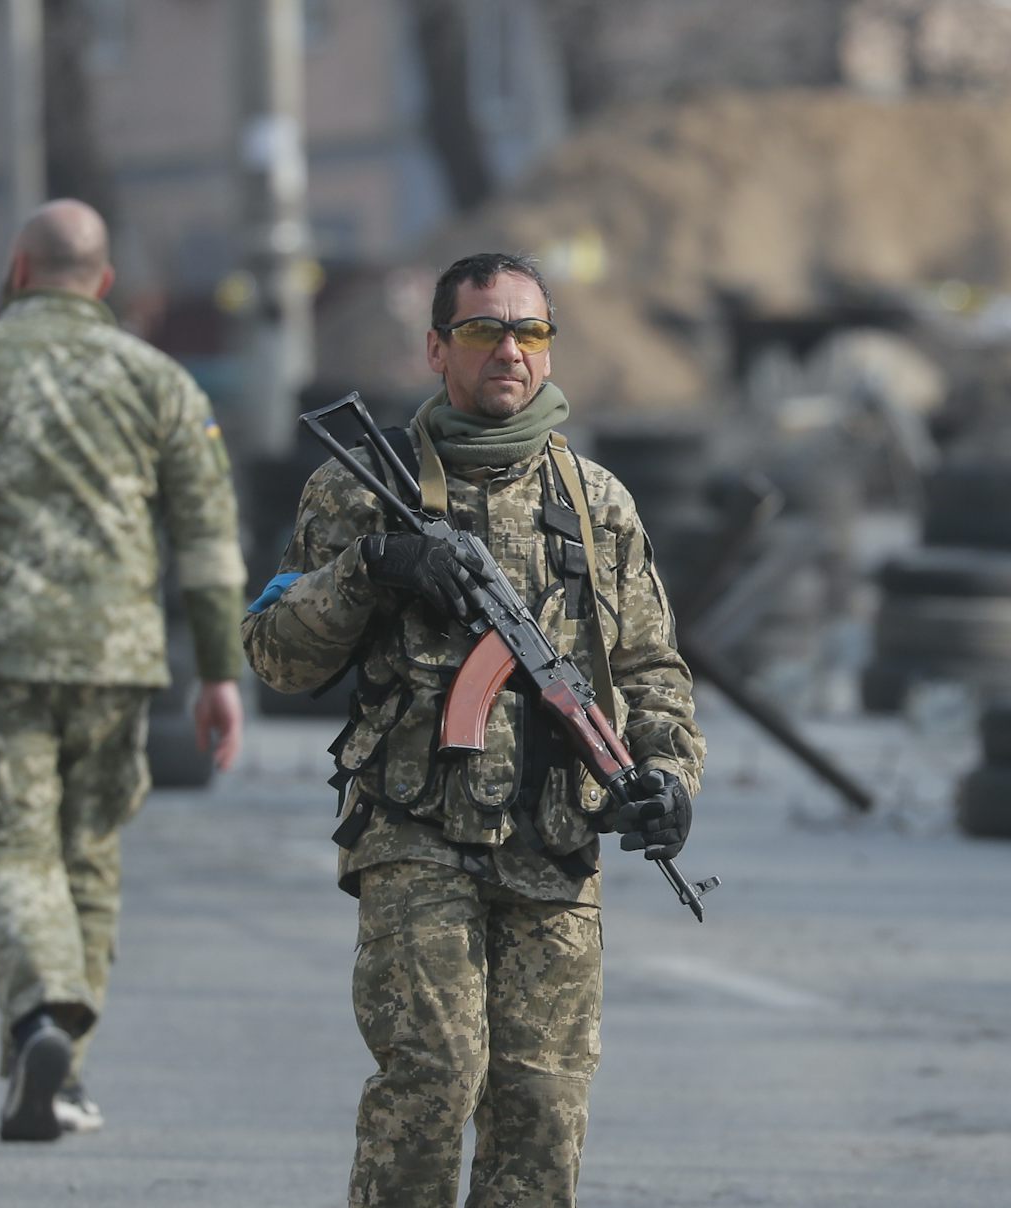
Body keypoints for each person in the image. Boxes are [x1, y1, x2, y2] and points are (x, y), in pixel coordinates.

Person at [243, 251, 704, 1207]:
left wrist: (668, 776)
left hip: (557, 837)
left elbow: (654, 670)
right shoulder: (360, 487)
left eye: (530, 331)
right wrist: (373, 565)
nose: (509, 350)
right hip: (416, 829)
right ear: (435, 348)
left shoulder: (595, 502)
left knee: (541, 1106)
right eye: (484, 330)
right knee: (434, 1079)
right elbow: (278, 657)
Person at [0, 199, 248, 1140]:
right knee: (89, 858)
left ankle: (39, 1018)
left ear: (18, 268)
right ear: (105, 282)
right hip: (119, 662)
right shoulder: (159, 382)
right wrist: (221, 672)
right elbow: (207, 538)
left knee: (15, 847)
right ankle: (64, 1073)